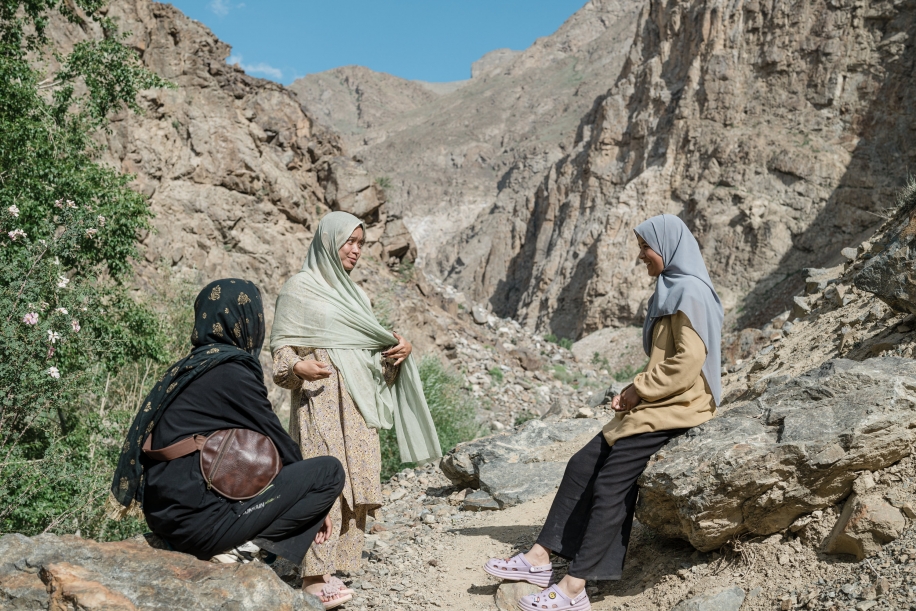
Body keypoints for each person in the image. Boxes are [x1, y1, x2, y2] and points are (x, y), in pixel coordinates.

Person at [483, 214, 724, 611]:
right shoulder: (674, 287)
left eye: (646, 248)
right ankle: (541, 559)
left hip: (679, 407)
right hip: (660, 403)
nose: (641, 256)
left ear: (666, 248)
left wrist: (637, 389)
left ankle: (575, 587)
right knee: (582, 465)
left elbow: (686, 364)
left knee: (612, 485)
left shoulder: (690, 294)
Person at [108, 279, 349, 607]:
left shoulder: (192, 368)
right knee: (328, 473)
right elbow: (279, 441)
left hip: (168, 520)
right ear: (248, 321)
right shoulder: (232, 370)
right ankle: (237, 551)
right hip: (199, 526)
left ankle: (235, 544)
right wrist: (317, 506)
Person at [270, 211, 441, 599]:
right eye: (349, 241)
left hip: (360, 407)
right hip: (319, 404)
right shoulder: (299, 290)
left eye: (361, 244)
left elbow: (373, 361)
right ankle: (313, 579)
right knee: (321, 484)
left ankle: (336, 569)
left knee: (354, 486)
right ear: (329, 241)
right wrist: (297, 365)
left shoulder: (357, 297)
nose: (356, 250)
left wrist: (399, 354)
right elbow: (280, 353)